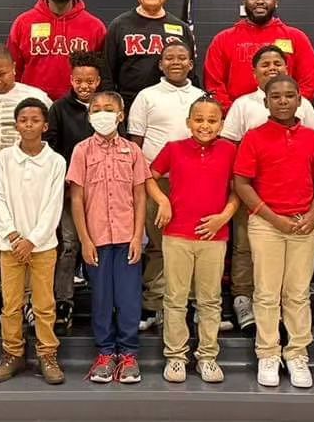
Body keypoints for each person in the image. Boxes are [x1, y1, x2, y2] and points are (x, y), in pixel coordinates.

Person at [220, 45, 314, 333]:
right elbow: (229, 146)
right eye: (265, 64)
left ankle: (293, 338)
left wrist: (313, 209)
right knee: (244, 248)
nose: (272, 67)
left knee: (295, 285)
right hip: (254, 196)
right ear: (254, 73)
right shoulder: (243, 105)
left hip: (298, 206)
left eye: (278, 62)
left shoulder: (305, 111)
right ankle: (243, 299)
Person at [233, 74, 314, 389]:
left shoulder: (312, 138)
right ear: (266, 101)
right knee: (267, 293)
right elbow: (242, 183)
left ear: (299, 99)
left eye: (289, 95)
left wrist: (313, 212)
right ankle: (268, 353)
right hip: (267, 224)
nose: (283, 101)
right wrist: (272, 218)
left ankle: (297, 353)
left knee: (297, 293)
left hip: (302, 223)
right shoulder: (254, 138)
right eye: (276, 96)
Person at [149, 95, 238, 384]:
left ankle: (207, 356)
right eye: (199, 120)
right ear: (188, 122)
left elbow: (239, 189)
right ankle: (176, 356)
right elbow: (149, 177)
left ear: (221, 124)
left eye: (212, 120)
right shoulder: (174, 149)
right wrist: (163, 200)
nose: (205, 125)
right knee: (175, 299)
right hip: (177, 235)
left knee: (210, 300)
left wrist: (224, 216)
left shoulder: (230, 150)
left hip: (214, 236)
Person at [67, 91, 152, 384]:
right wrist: (85, 240)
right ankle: (105, 353)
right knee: (102, 298)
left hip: (127, 237)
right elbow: (76, 199)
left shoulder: (133, 151)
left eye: (109, 108)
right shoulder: (81, 151)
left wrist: (138, 236)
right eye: (96, 109)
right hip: (97, 239)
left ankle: (128, 354)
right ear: (89, 115)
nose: (102, 113)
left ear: (120, 115)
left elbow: (140, 197)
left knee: (128, 298)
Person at [0, 44, 52, 327]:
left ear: (14, 68)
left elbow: (47, 137)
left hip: (23, 184)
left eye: (2, 74)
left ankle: (27, 302)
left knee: (24, 240)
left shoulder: (35, 97)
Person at [127, 42, 205, 331]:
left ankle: (190, 303)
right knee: (159, 244)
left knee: (191, 244)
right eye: (169, 58)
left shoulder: (200, 97)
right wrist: (142, 181)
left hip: (193, 183)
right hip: (155, 181)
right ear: (160, 64)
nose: (176, 62)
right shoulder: (147, 96)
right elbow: (136, 144)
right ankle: (154, 304)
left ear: (191, 64)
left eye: (182, 57)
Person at [0, 98, 66, 385]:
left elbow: (53, 205)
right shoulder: (5, 158)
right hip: (10, 246)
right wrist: (12, 234)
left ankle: (47, 354)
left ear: (45, 125)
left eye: (35, 120)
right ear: (16, 125)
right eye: (23, 120)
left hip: (42, 246)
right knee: (11, 305)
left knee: (44, 304)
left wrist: (32, 240)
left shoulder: (56, 161)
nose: (29, 125)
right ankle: (12, 353)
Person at [44, 51, 107, 334]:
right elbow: (51, 150)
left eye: (90, 81)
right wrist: (65, 185)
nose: (84, 86)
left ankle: (103, 301)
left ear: (98, 81)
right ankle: (63, 302)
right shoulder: (58, 109)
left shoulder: (107, 107)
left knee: (100, 245)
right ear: (71, 80)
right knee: (69, 244)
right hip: (70, 191)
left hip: (104, 191)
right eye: (79, 81)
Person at [204, 0, 314, 112]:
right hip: (238, 117)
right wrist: (235, 113)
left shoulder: (296, 38)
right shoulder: (222, 40)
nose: (260, 1)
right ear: (244, 1)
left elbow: (308, 84)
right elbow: (214, 84)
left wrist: (287, 111)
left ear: (276, 1)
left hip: (285, 117)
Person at [8, 0, 106, 101]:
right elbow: (13, 71)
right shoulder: (23, 23)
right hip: (34, 108)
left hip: (78, 108)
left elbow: (103, 75)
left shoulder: (95, 27)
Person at [102, 0, 197, 108]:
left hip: (173, 107)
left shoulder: (182, 29)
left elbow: (191, 74)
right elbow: (107, 75)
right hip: (129, 108)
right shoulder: (118, 26)